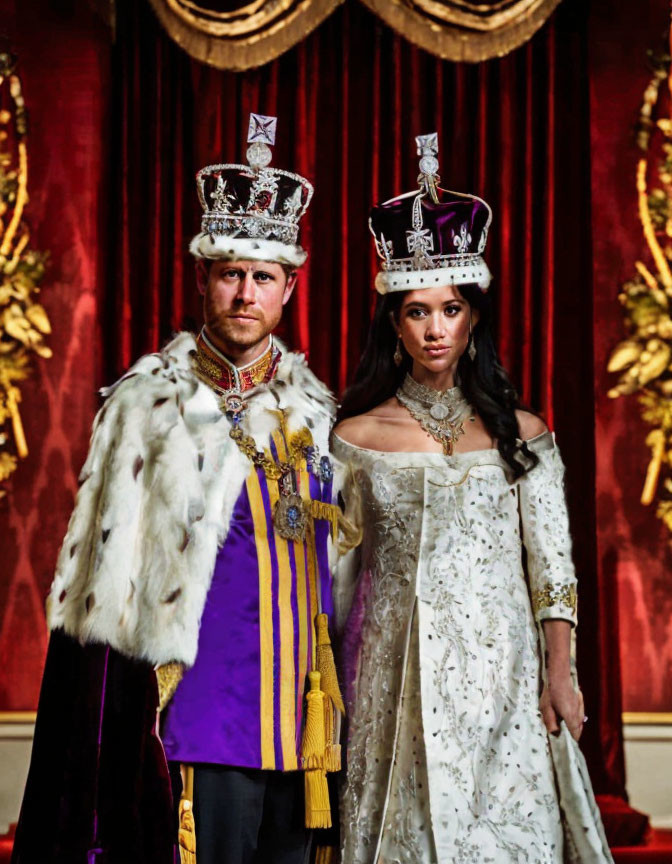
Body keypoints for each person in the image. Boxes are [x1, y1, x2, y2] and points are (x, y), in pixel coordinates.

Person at [12, 114, 348, 864]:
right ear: (201, 276)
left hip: (305, 732)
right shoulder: (147, 404)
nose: (244, 293)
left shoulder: (319, 415)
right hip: (198, 726)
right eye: (229, 272)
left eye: (263, 277)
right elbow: (99, 606)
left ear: (290, 287)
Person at [332, 134, 613, 864]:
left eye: (450, 309)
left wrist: (561, 672)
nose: (434, 328)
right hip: (394, 680)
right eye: (417, 311)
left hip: (508, 680)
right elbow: (333, 583)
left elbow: (552, 566)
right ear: (394, 323)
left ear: (473, 318)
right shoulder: (356, 438)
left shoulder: (520, 433)